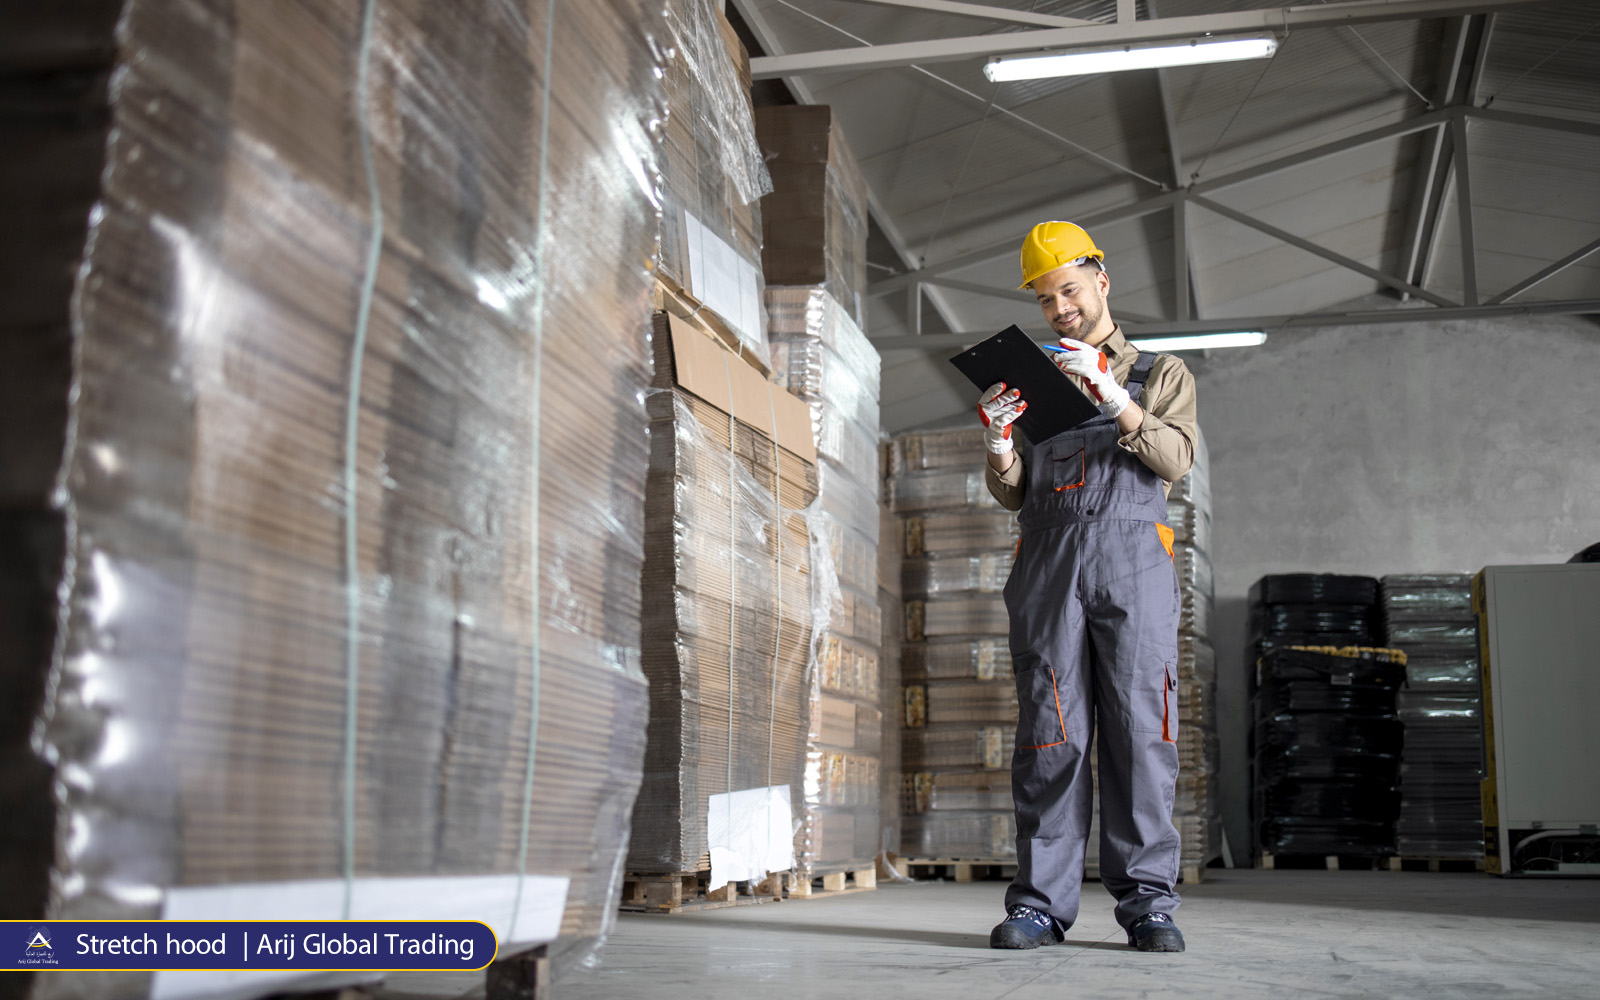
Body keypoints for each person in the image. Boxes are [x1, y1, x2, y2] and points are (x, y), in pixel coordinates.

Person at [978, 221, 1198, 954]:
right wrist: (999, 443)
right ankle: (1040, 905)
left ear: (1101, 280)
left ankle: (1149, 905)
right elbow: (1016, 493)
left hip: (1134, 569)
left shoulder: (1160, 373)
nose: (1059, 309)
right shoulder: (1036, 383)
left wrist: (1110, 392)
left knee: (1142, 734)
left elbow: (1175, 459)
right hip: (1049, 570)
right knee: (1051, 734)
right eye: (1045, 299)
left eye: (1068, 290)